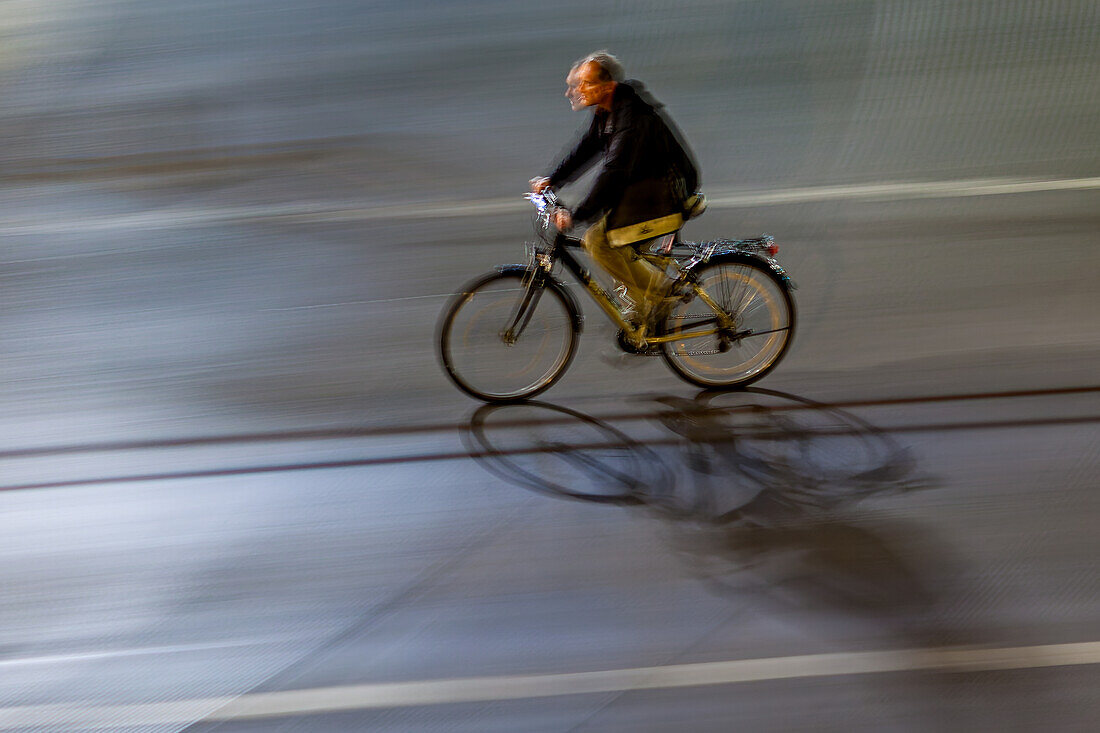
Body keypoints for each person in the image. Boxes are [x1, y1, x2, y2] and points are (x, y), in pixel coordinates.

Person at [531, 51, 700, 334]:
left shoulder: (631, 118)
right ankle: (646, 312)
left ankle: (665, 293)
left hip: (665, 195)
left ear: (607, 86)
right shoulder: (609, 108)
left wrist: (577, 215)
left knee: (599, 242)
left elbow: (614, 172)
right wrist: (553, 179)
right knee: (618, 251)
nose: (573, 91)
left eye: (584, 84)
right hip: (646, 190)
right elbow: (587, 148)